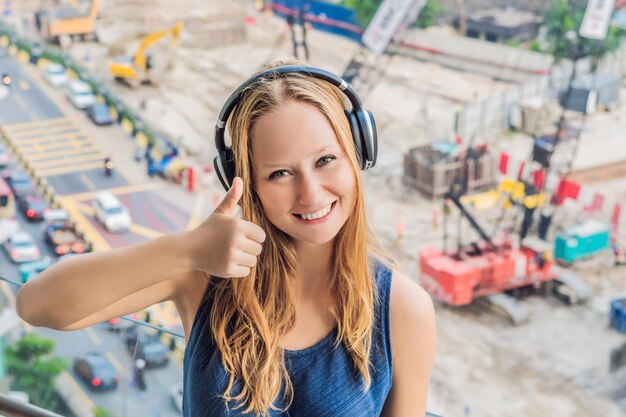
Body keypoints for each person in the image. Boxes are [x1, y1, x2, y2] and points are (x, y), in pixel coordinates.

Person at [15, 60, 436, 416]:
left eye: (326, 160)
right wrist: (188, 248)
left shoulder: (402, 310)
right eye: (280, 173)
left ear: (358, 153)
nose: (310, 192)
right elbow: (37, 305)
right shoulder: (203, 274)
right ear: (247, 184)